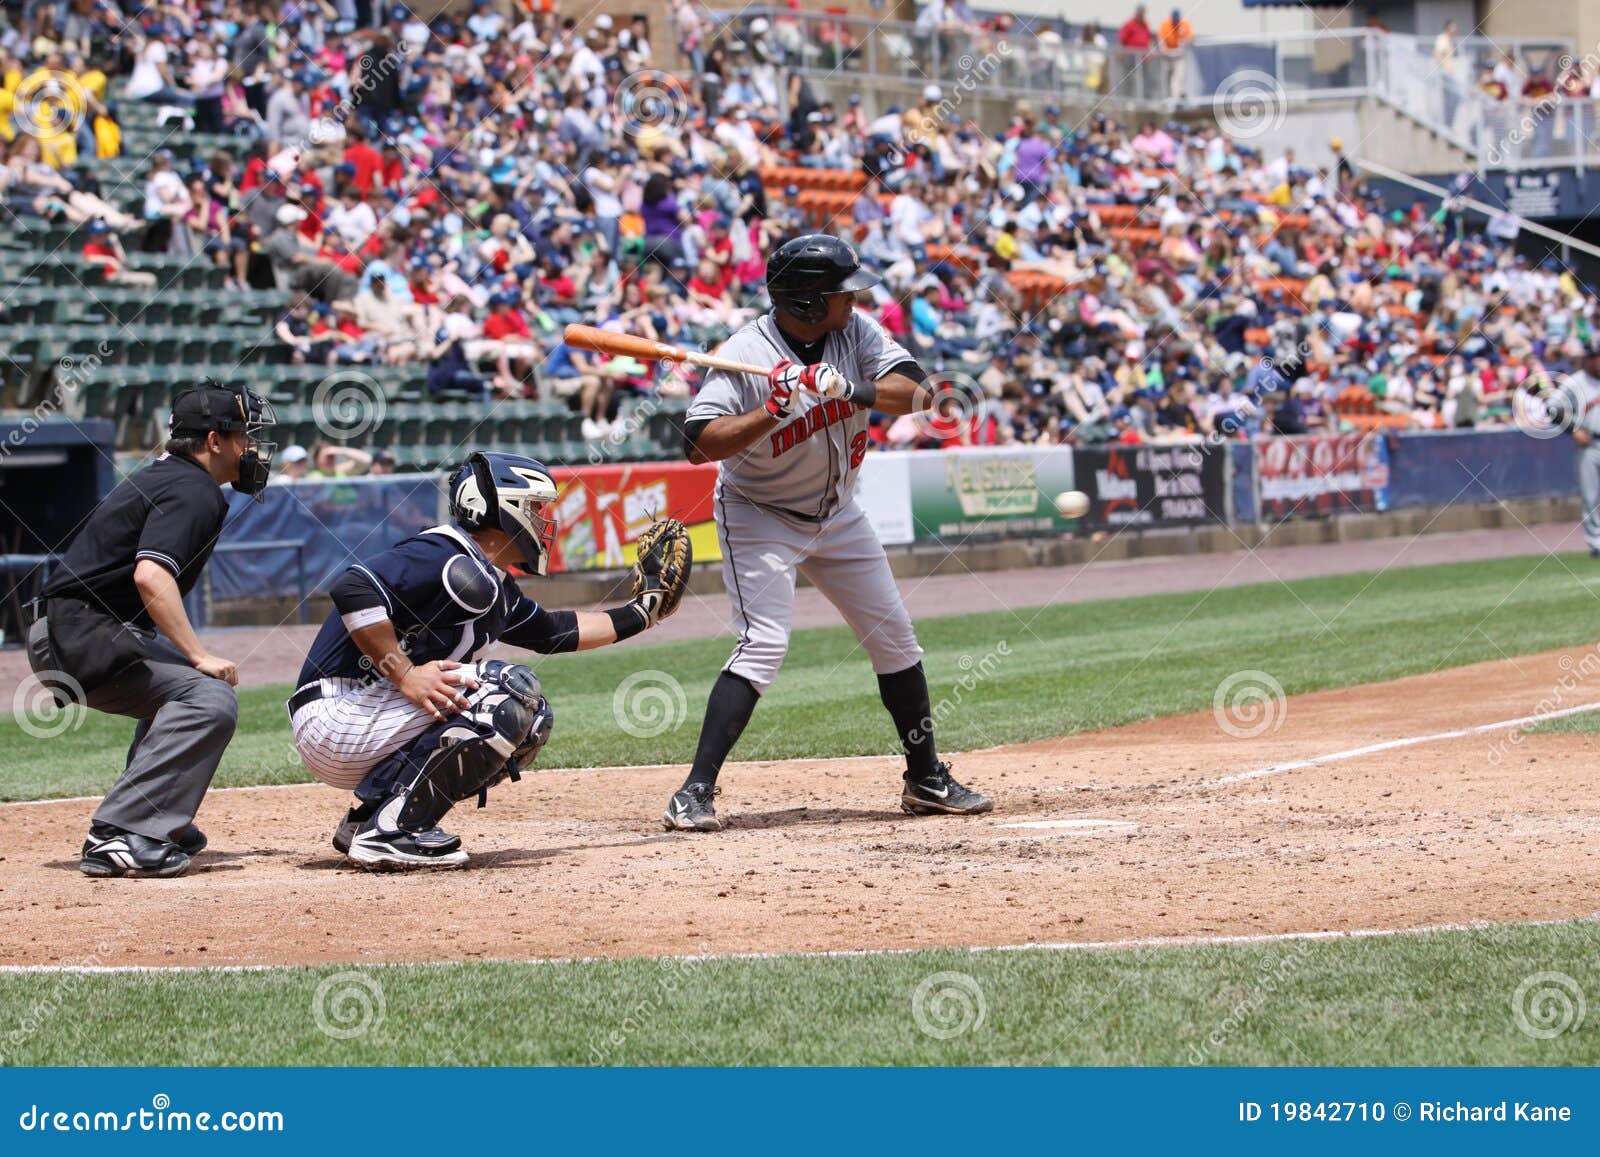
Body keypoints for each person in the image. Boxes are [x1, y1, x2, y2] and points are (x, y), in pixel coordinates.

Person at [663, 234, 992, 832]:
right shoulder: (745, 352)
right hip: (759, 515)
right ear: (808, 301)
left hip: (839, 514)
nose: (854, 299)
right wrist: (773, 408)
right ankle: (694, 792)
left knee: (895, 639)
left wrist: (852, 387)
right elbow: (696, 444)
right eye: (842, 292)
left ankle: (925, 779)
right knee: (763, 646)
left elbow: (922, 391)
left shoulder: (856, 332)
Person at [289, 453, 692, 868]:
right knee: (506, 694)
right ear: (503, 508)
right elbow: (353, 586)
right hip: (337, 713)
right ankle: (393, 832)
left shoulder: (488, 578)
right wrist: (405, 673)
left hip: (364, 719)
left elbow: (554, 632)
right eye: (535, 508)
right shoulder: (445, 553)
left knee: (532, 720)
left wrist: (645, 612)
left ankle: (371, 818)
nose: (543, 521)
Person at [25, 382, 277, 878]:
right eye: (243, 436)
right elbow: (150, 574)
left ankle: (153, 818)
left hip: (73, 628)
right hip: (80, 632)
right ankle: (122, 833)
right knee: (209, 698)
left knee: (188, 691)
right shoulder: (193, 489)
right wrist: (198, 653)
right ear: (214, 441)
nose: (249, 448)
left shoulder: (171, 478)